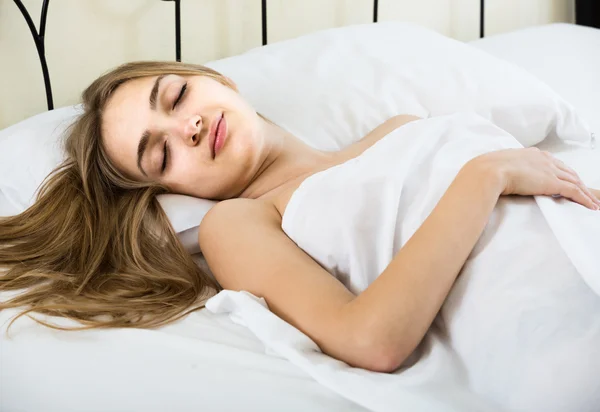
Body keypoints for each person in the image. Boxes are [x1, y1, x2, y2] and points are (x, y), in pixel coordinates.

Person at [1, 61, 599, 375]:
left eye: (178, 96)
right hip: (554, 325)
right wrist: (484, 178)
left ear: (218, 82)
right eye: (161, 154)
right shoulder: (237, 223)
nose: (187, 127)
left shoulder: (399, 130)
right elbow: (371, 341)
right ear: (169, 188)